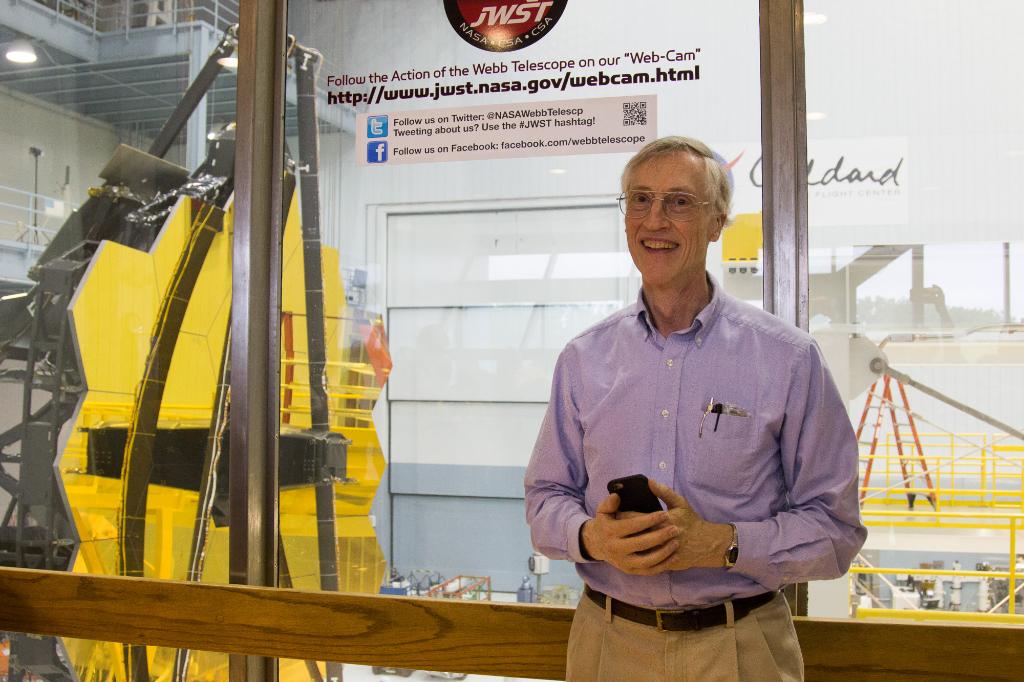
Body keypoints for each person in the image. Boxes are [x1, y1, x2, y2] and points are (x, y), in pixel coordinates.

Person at [524, 136, 867, 681]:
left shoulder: (789, 359)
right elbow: (545, 498)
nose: (654, 219)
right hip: (607, 645)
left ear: (716, 223)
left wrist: (724, 545)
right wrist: (592, 538)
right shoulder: (583, 359)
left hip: (740, 649)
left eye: (679, 202)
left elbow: (836, 531)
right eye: (640, 200)